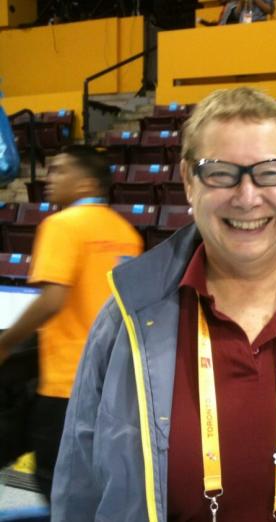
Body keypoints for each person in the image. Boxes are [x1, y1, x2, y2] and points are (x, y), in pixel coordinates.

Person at [51, 87, 276, 521]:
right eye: (220, 173)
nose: (246, 197)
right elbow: (80, 492)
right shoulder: (126, 320)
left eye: (270, 172)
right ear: (189, 181)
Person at [0, 144, 143, 501]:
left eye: (60, 170)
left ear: (86, 183)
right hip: (113, 387)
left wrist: (4, 344)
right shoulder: (127, 233)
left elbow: (52, 300)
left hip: (66, 385)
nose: (50, 179)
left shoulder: (61, 225)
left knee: (59, 488)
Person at [199, 0, 275, 25]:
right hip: (243, 24)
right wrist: (241, 3)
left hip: (259, 23)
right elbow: (236, 14)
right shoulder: (232, 3)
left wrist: (256, 1)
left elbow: (270, 10)